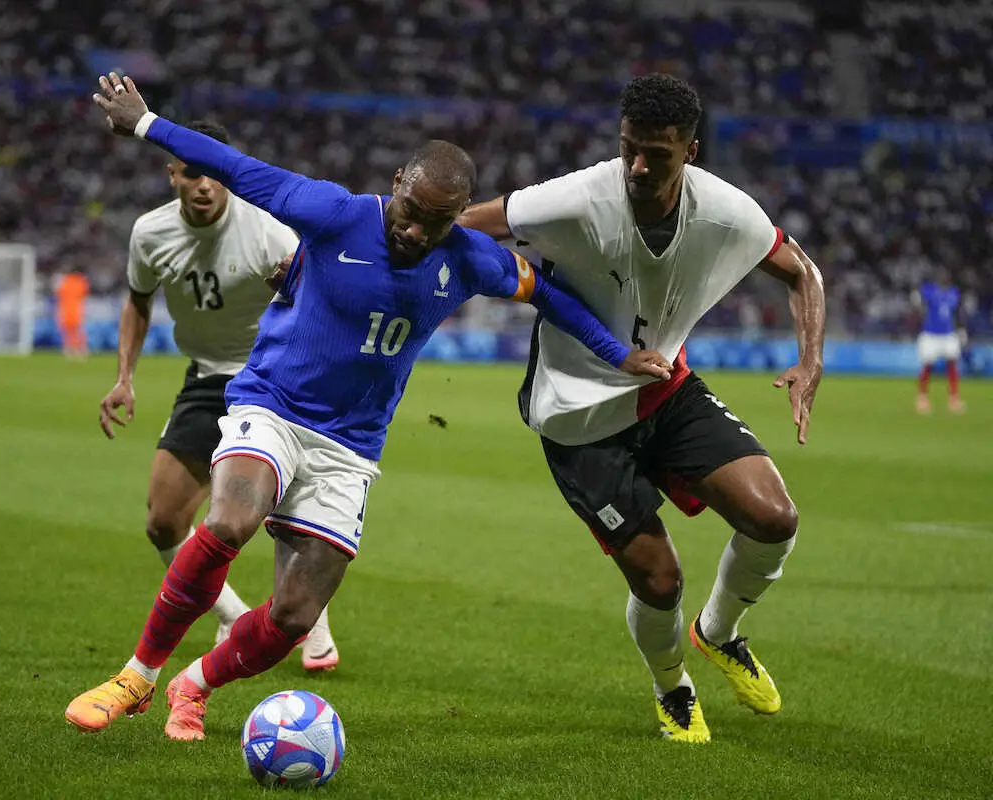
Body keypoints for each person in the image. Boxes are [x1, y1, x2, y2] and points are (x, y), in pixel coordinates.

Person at [65, 72, 674, 742]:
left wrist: (618, 354)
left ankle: (195, 685)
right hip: (273, 406)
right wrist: (145, 123)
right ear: (396, 181)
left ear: (459, 215)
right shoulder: (335, 212)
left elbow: (546, 294)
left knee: (295, 616)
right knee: (230, 522)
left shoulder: (471, 258)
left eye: (436, 222)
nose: (415, 230)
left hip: (351, 447)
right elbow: (237, 168)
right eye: (410, 209)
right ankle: (137, 676)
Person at [459, 73, 826, 744]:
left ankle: (719, 632)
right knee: (659, 580)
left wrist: (810, 361)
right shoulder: (575, 198)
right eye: (628, 148)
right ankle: (672, 686)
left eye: (656, 154)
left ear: (690, 150)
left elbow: (802, 271)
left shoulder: (725, 211)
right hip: (577, 418)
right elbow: (461, 225)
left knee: (774, 518)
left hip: (663, 388)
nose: (636, 167)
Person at [101, 119, 342, 671]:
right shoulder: (150, 233)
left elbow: (321, 298)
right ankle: (233, 615)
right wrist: (124, 377)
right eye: (193, 173)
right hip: (209, 378)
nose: (205, 184)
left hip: (274, 376)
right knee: (163, 520)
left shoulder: (268, 230)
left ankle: (314, 619)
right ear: (173, 175)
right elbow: (137, 300)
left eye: (215, 173)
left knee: (282, 509)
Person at [913, 268, 965, 414]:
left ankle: (954, 399)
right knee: (927, 366)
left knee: (952, 365)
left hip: (948, 333)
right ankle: (922, 398)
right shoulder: (929, 290)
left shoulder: (954, 292)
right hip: (931, 334)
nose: (944, 277)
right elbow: (918, 298)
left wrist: (961, 328)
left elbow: (958, 312)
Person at [54, 267, 90, 359]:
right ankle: (79, 349)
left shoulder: (64, 281)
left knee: (69, 331)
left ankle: (71, 349)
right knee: (76, 330)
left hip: (66, 309)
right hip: (76, 309)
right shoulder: (81, 281)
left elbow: (58, 293)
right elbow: (84, 293)